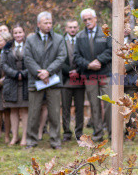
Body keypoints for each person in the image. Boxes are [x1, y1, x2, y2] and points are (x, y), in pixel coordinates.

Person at [25, 12, 66, 149]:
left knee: (54, 113)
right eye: (45, 23)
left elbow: (61, 57)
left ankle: (55, 141)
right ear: (38, 24)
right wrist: (40, 73)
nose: (49, 26)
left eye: (50, 23)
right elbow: (28, 59)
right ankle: (31, 140)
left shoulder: (59, 39)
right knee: (33, 112)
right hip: (35, 81)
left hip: (53, 81)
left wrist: (48, 72)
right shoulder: (30, 40)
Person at [73, 8, 112, 141]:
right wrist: (89, 64)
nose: (88, 22)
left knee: (109, 104)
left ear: (95, 18)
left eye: (90, 19)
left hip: (105, 74)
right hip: (89, 75)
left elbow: (111, 50)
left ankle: (113, 133)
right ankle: (98, 133)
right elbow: (76, 56)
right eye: (85, 20)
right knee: (94, 105)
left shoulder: (105, 33)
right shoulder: (79, 36)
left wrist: (99, 60)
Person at [0, 23, 29, 146]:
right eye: (15, 33)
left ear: (24, 33)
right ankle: (15, 137)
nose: (18, 35)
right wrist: (15, 74)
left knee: (24, 110)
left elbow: (33, 61)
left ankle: (24, 137)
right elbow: (3, 64)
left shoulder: (29, 46)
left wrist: (24, 73)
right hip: (11, 82)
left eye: (20, 32)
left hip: (26, 81)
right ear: (13, 35)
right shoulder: (7, 48)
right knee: (13, 110)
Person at [61, 20, 85, 142]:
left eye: (75, 27)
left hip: (80, 79)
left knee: (79, 108)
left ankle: (79, 132)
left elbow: (86, 57)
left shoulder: (82, 40)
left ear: (78, 28)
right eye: (70, 27)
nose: (72, 29)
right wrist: (69, 72)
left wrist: (78, 71)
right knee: (65, 108)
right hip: (65, 80)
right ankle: (66, 132)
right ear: (66, 28)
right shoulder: (60, 41)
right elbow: (58, 58)